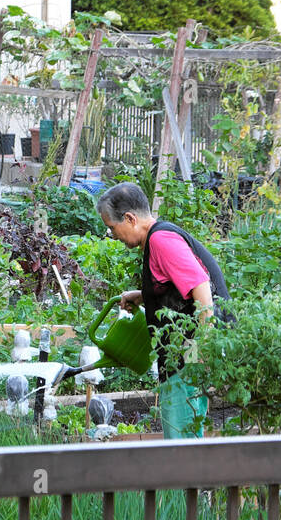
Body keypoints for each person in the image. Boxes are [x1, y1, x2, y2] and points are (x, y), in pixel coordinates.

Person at [96, 182, 230, 438]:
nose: (113, 235)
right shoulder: (160, 236)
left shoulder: (161, 240)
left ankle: (187, 478)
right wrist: (143, 295)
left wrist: (202, 348)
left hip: (188, 353)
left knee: (180, 440)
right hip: (182, 353)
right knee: (184, 432)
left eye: (113, 228)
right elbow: (180, 291)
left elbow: (201, 289)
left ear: (130, 218)